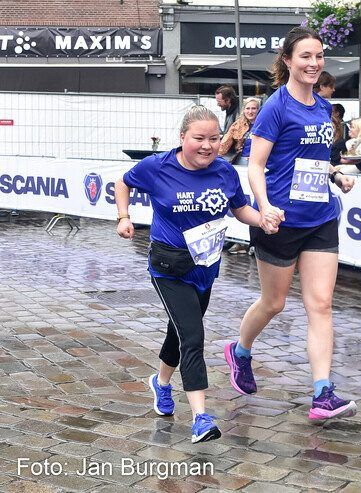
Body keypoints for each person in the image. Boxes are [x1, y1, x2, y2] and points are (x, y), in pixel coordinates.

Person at [114, 105, 281, 443]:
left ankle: (160, 383)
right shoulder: (157, 166)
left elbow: (239, 209)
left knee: (178, 333)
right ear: (182, 138)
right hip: (168, 267)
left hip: (205, 267)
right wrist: (123, 216)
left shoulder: (224, 171)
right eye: (199, 138)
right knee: (193, 336)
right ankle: (200, 418)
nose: (207, 146)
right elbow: (123, 181)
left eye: (215, 139)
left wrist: (261, 217)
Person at [224, 26, 357, 423]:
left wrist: (336, 175)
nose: (314, 63)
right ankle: (240, 350)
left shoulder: (321, 106)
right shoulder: (274, 107)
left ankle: (322, 393)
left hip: (320, 217)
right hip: (279, 221)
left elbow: (310, 161)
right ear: (288, 61)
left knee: (321, 304)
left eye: (319, 56)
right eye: (305, 57)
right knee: (275, 302)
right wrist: (263, 207)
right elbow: (257, 165)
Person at [219, 97, 261, 166]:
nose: (250, 112)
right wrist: (216, 157)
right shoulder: (237, 125)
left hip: (260, 161)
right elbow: (225, 142)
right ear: (244, 110)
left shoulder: (265, 124)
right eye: (247, 108)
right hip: (242, 161)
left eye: (253, 108)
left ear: (258, 110)